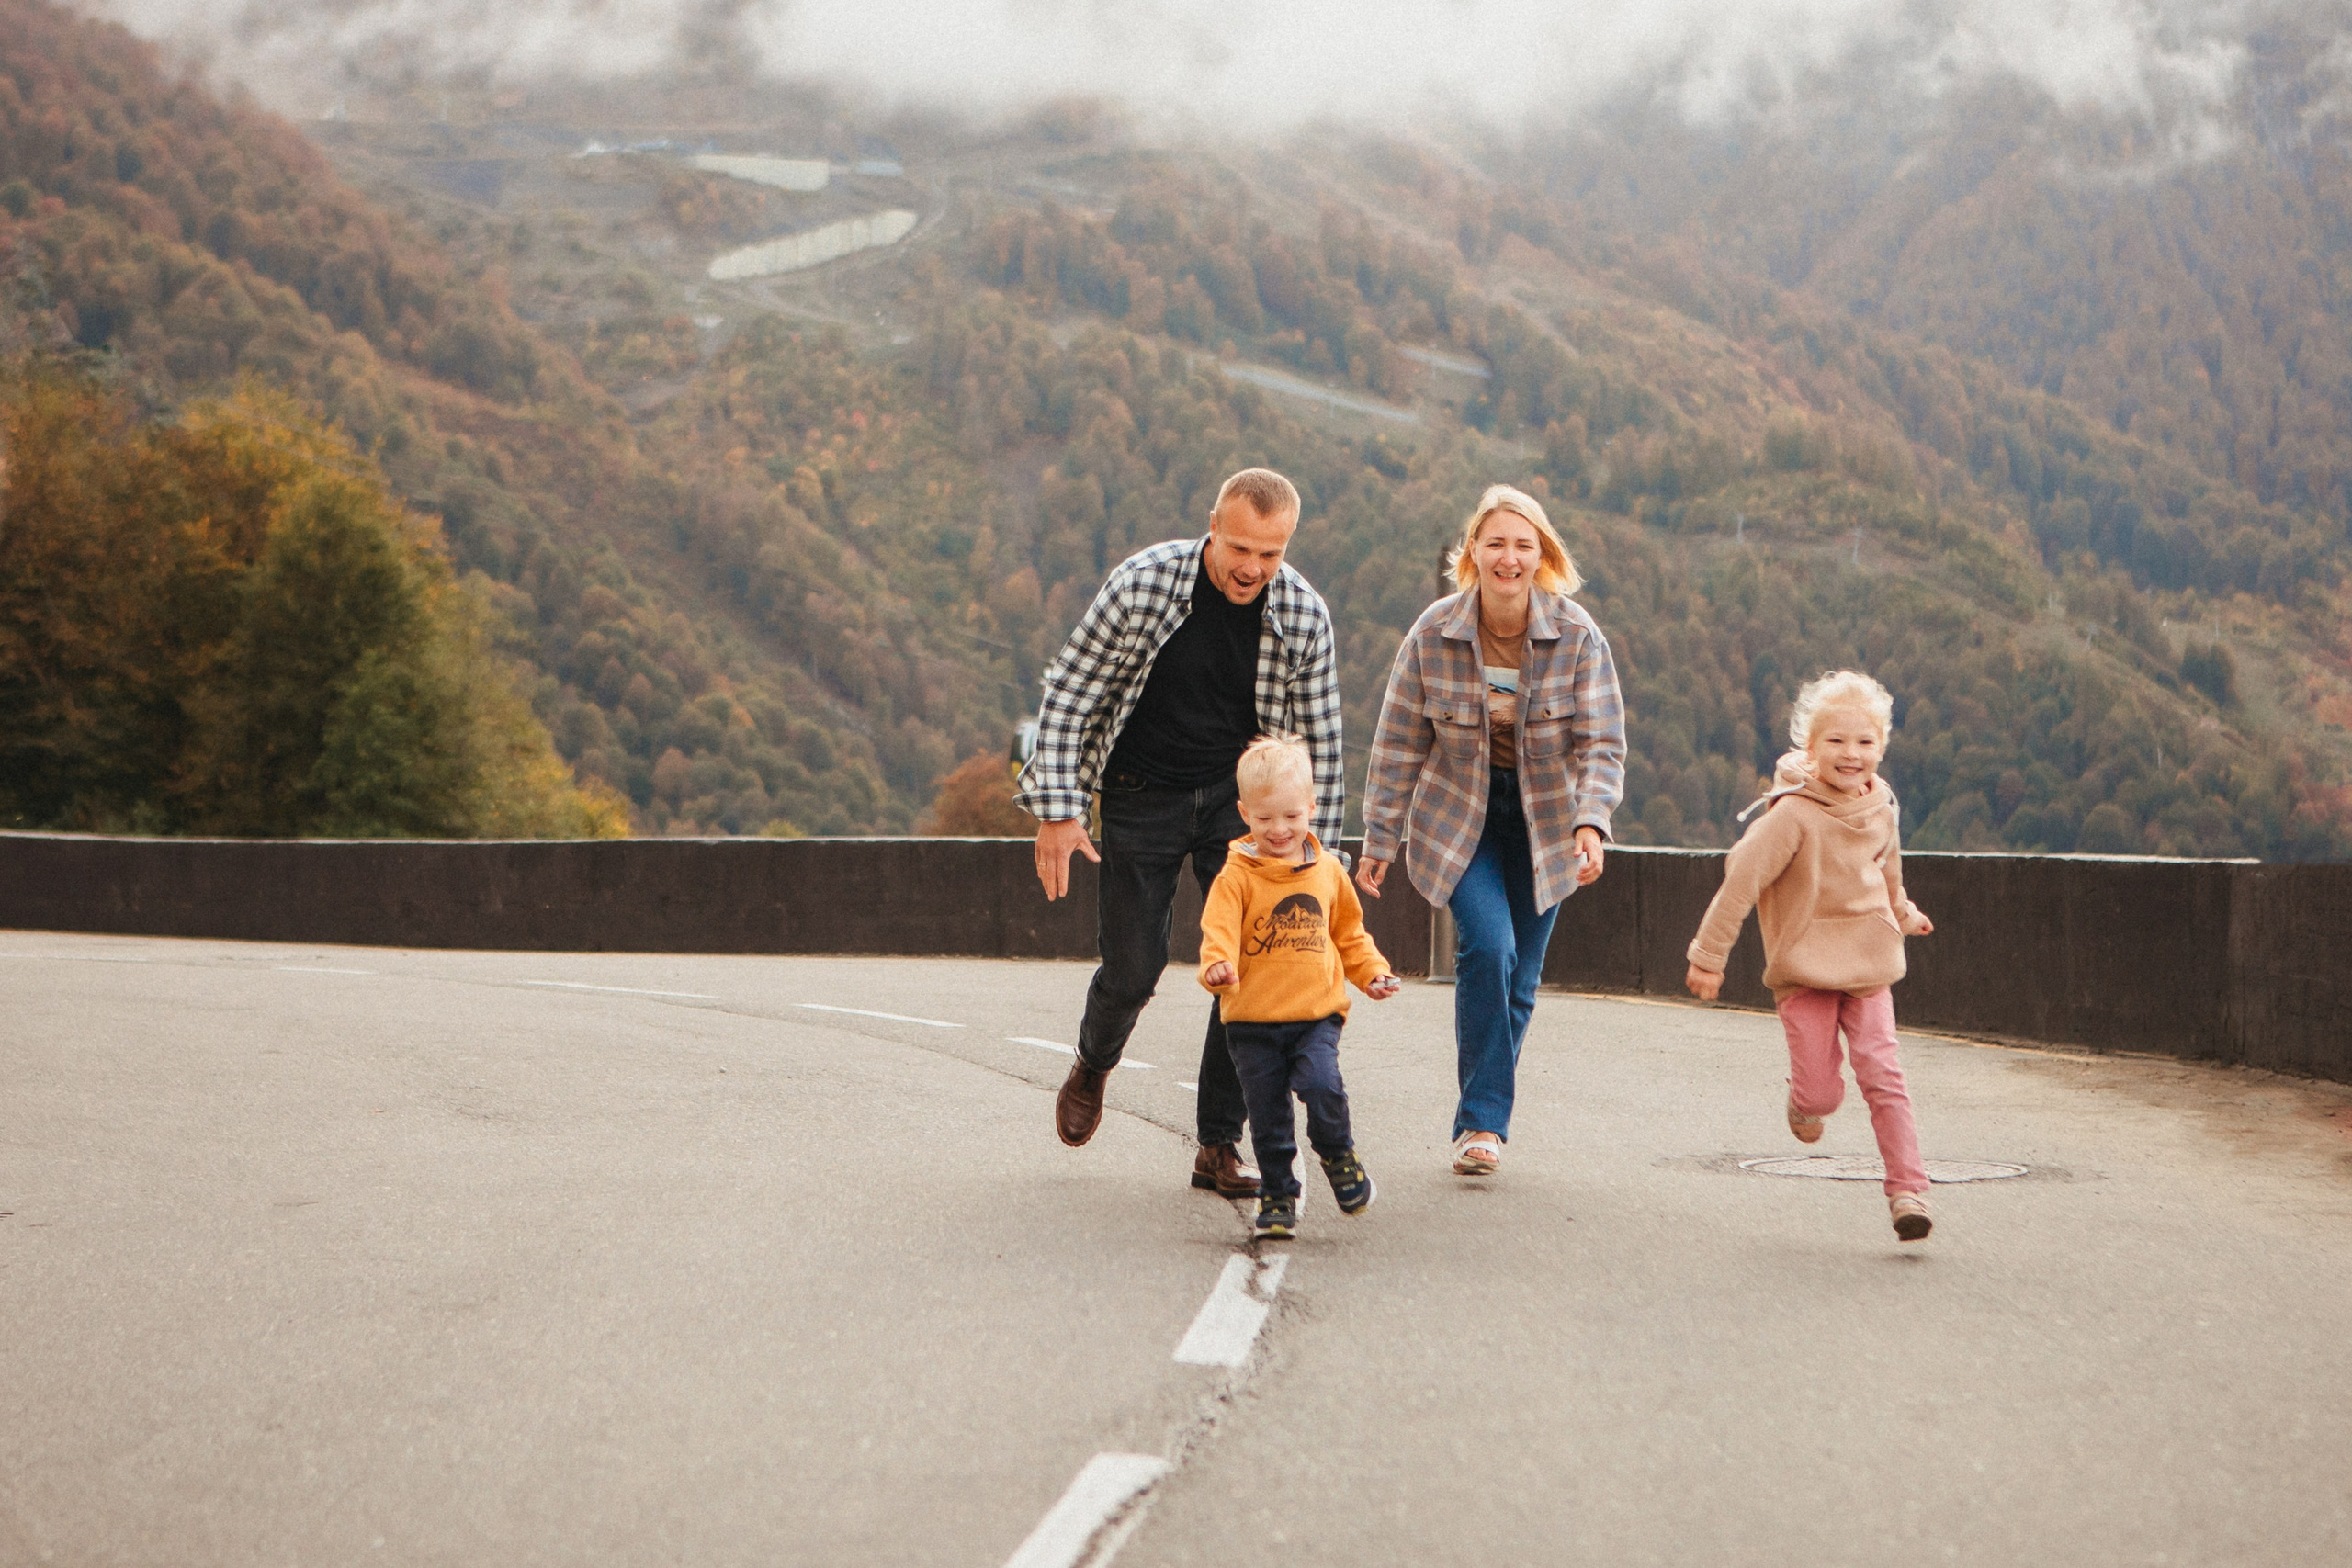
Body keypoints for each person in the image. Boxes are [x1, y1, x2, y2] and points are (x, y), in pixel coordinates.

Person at [1017, 468, 1346, 1199]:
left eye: (1270, 553)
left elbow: (1318, 742)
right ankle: (1093, 1062)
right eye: (1239, 548)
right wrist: (1057, 809)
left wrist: (1326, 861)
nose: (1252, 568)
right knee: (1134, 968)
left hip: (1242, 804)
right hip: (1141, 791)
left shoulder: (1303, 615)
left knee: (1251, 969)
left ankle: (1218, 1146)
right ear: (1212, 526)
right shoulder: (1142, 585)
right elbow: (1069, 691)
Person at [1358, 484, 1624, 1177]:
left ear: (1543, 556)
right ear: (1472, 551)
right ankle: (1482, 1125)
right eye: (1496, 542)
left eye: (1524, 545)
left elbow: (1601, 744)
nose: (1509, 557)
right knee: (1491, 947)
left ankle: (1483, 1111)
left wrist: (1593, 824)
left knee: (1521, 979)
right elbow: (1398, 742)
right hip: (1459, 817)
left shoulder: (1576, 636)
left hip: (1548, 823)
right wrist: (1380, 837)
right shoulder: (1433, 631)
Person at [1683, 669, 1940, 1241]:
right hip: (1804, 969)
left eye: (1865, 742)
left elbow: (1888, 871)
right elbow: (1740, 884)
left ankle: (1908, 1191)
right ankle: (1804, 1103)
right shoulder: (1792, 816)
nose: (1852, 755)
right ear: (1810, 745)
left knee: (1883, 1073)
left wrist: (1902, 913)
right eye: (1836, 741)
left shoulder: (1883, 805)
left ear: (1882, 746)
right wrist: (1709, 956)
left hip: (1869, 963)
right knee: (1822, 1093)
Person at [1197, 733, 1400, 1240]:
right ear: (1245, 813)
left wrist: (1371, 972)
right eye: (1264, 819)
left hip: (1315, 1014)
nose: (1279, 829)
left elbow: (1349, 934)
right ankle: (1278, 1194)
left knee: (1321, 1085)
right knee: (1267, 1118)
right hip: (1250, 1021)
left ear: (1311, 807)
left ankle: (1338, 1155)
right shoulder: (1236, 877)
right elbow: (1216, 933)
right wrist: (1217, 967)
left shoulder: (1329, 871)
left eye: (1291, 816)